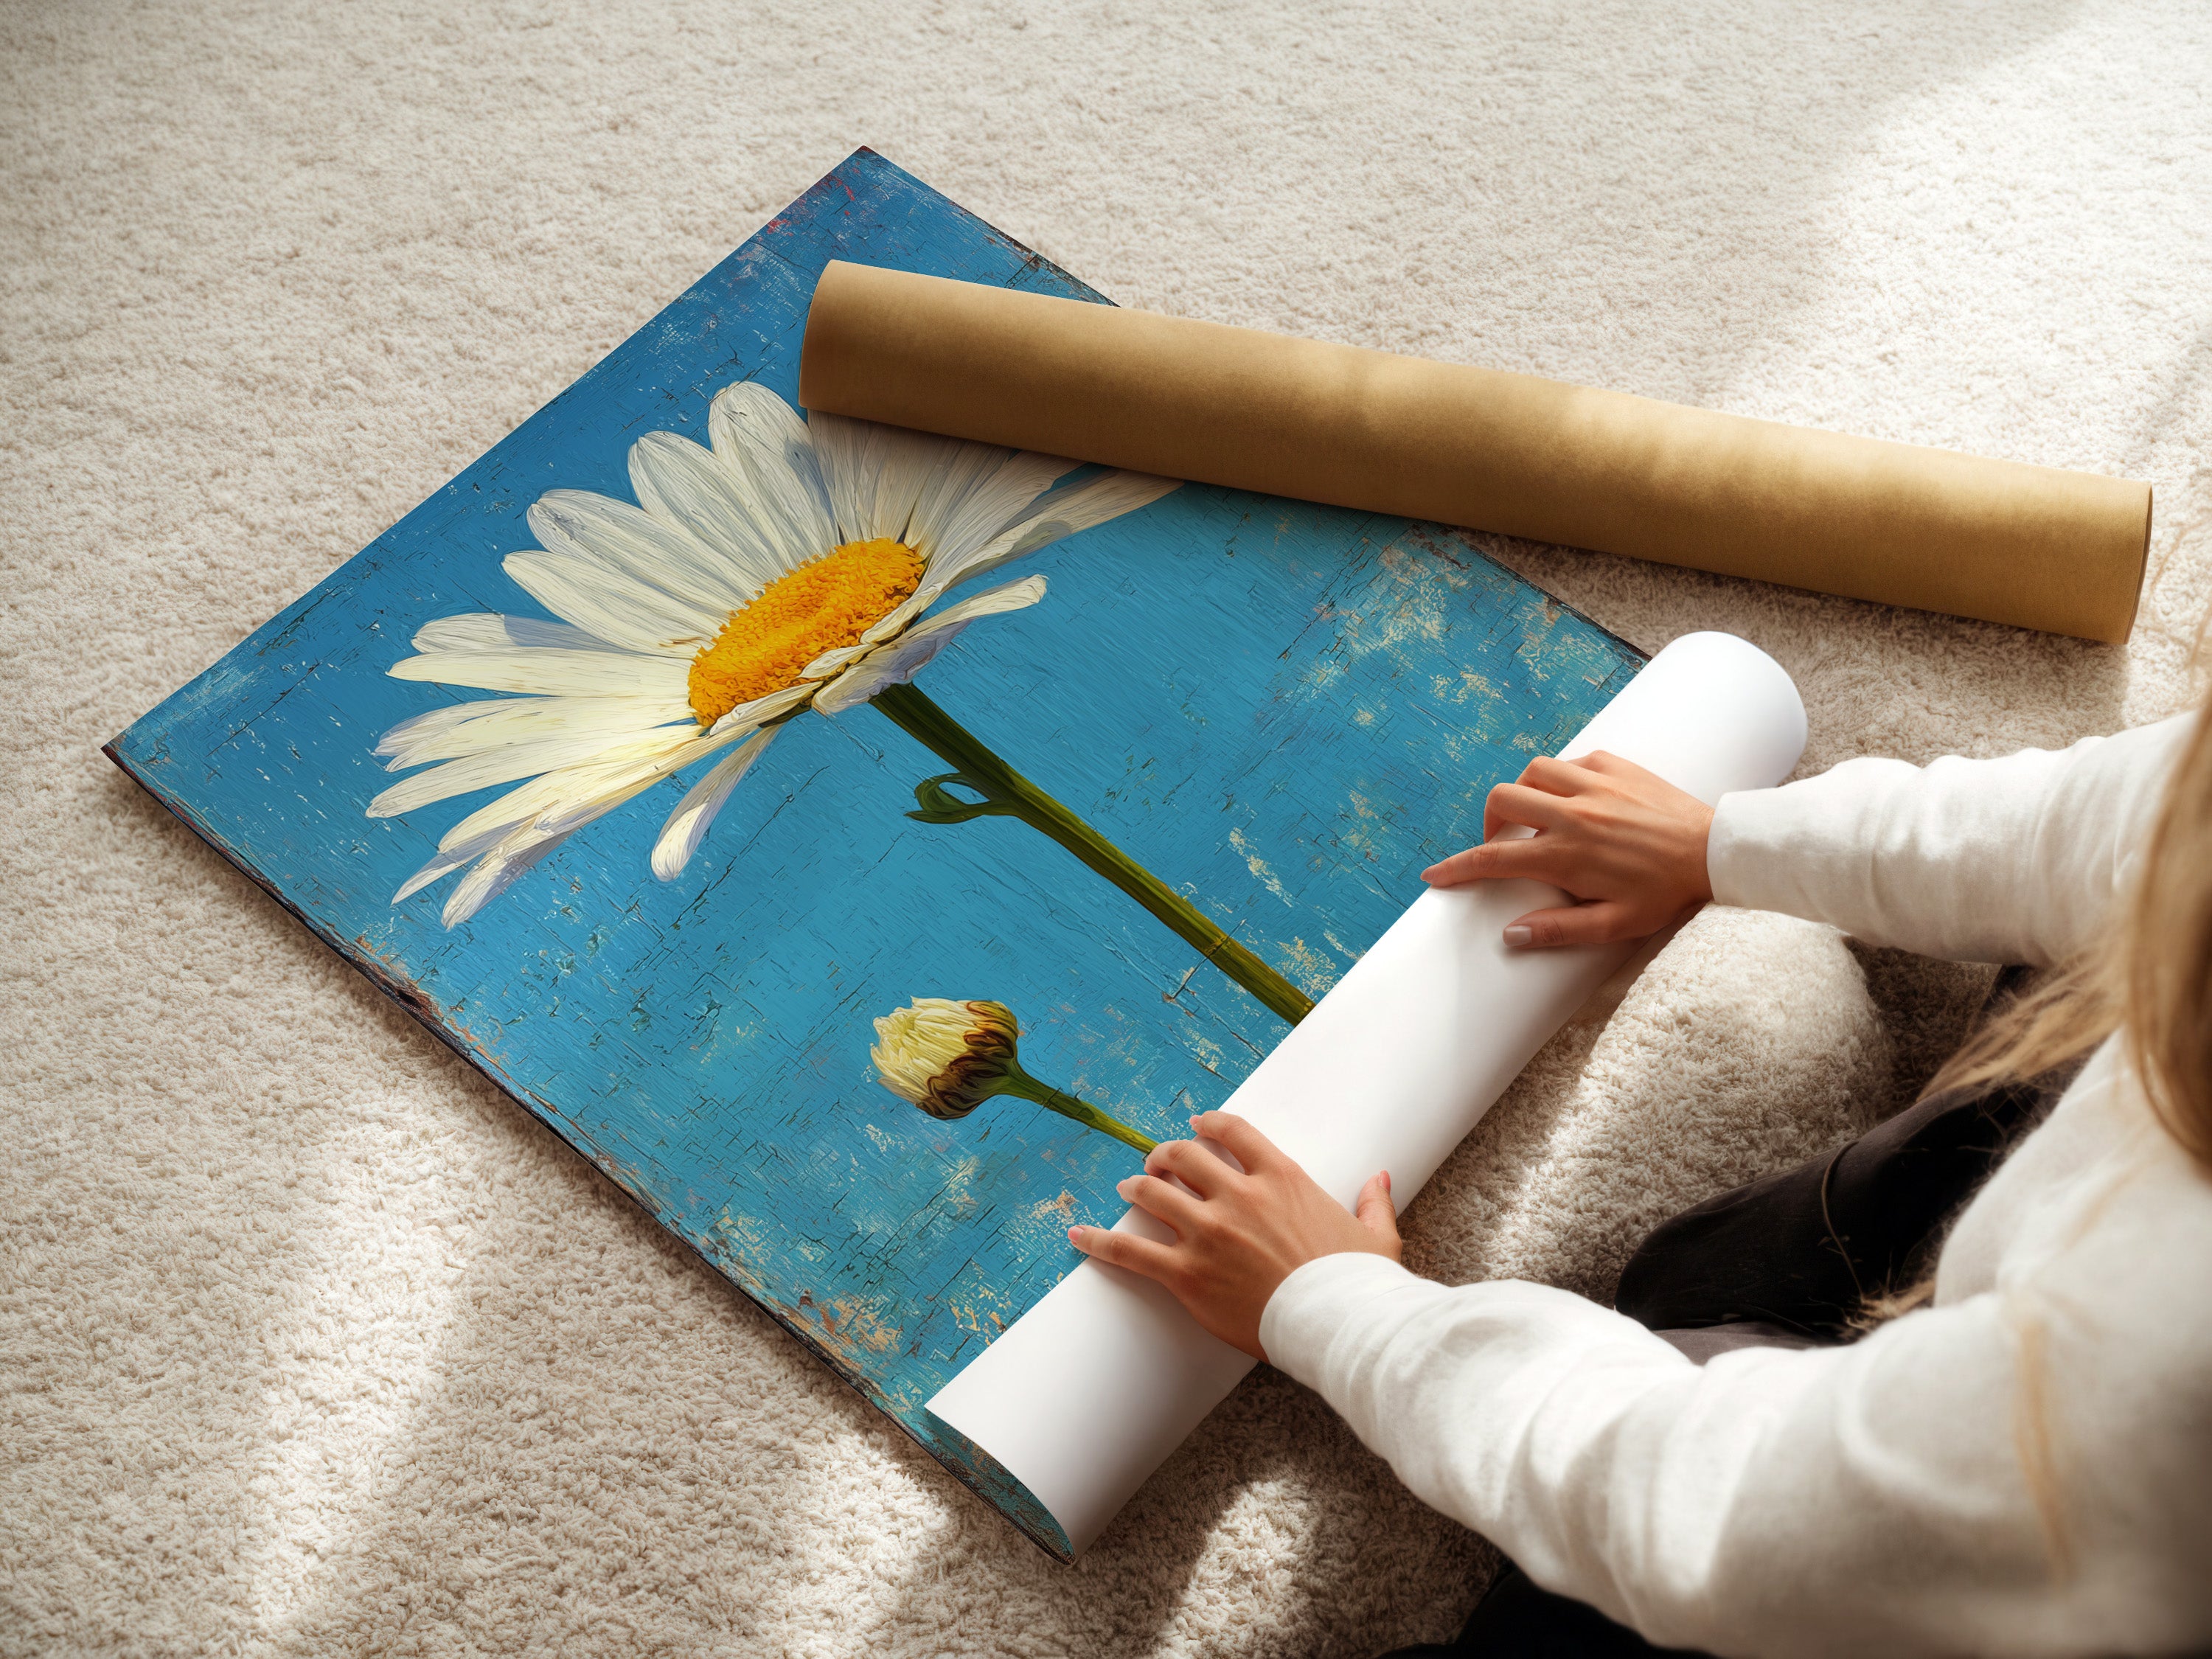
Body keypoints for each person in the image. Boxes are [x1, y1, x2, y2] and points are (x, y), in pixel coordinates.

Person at [1067, 696, 2212, 1657]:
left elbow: (1716, 1514)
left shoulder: (2157, 1376)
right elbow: (2118, 818)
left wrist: (1337, 1306)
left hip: (2049, 1558)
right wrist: (1721, 842)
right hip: (2058, 1330)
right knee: (1700, 1277)